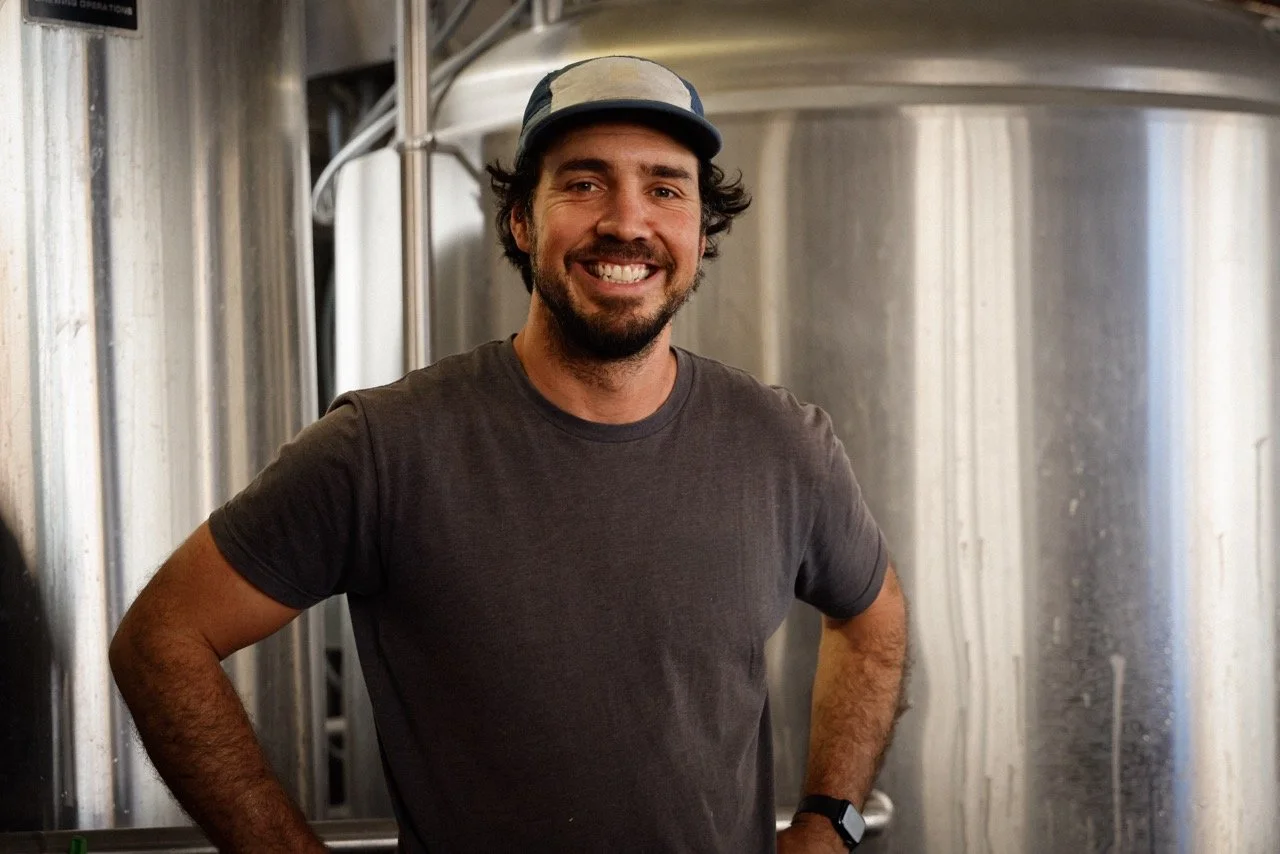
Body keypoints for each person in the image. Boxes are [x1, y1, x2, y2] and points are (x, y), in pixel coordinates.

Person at [110, 55, 908, 853]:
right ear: (523, 221)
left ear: (701, 230)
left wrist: (829, 820)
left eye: (665, 188)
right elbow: (162, 640)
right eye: (584, 183)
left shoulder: (782, 445)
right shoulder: (388, 448)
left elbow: (873, 621)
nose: (628, 222)